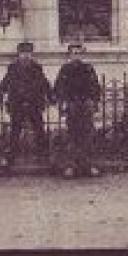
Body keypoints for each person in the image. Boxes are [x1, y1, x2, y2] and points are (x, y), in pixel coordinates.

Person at [0, 42, 53, 172]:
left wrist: (51, 96)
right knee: (15, 132)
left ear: (31, 55)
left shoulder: (37, 68)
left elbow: (44, 83)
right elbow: (5, 82)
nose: (25, 56)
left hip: (34, 104)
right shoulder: (13, 68)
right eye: (23, 53)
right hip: (17, 104)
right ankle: (10, 158)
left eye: (28, 53)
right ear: (19, 55)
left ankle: (43, 156)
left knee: (39, 129)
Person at [54, 41, 102, 178]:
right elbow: (59, 87)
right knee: (72, 136)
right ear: (69, 55)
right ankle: (70, 166)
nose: (76, 56)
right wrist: (64, 102)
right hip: (72, 105)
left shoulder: (88, 69)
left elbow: (95, 87)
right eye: (74, 53)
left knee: (87, 135)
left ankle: (89, 165)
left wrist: (93, 101)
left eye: (79, 53)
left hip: (85, 105)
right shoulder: (65, 69)